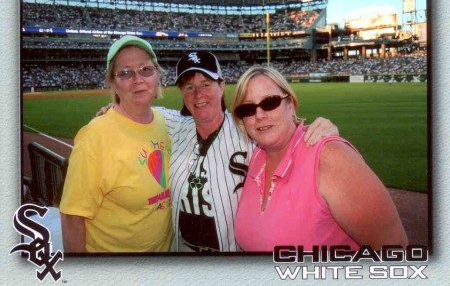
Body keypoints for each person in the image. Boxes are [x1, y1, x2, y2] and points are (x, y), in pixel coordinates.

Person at [96, 49, 339, 252]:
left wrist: (323, 129)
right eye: (189, 87)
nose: (198, 94)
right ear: (182, 94)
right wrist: (114, 109)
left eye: (206, 84)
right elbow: (138, 114)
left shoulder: (248, 127)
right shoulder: (169, 125)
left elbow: (285, 134)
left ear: (221, 87)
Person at [230, 65, 408, 251]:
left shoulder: (330, 157)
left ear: (290, 104)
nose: (259, 115)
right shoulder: (256, 157)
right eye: (248, 108)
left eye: (270, 102)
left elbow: (396, 250)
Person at [59, 36, 172, 252]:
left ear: (157, 74)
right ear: (113, 82)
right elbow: (72, 217)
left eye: (146, 69)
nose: (138, 79)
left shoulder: (167, 122)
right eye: (126, 73)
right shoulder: (95, 137)